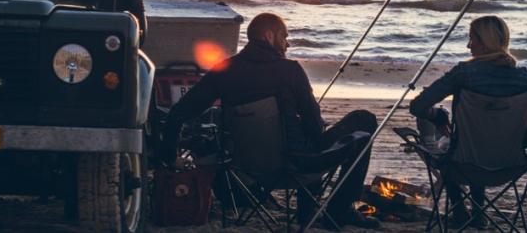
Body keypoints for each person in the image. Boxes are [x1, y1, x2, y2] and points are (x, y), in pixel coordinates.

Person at [161, 13, 380, 229]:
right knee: (363, 121)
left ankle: (308, 213)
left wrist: (171, 156)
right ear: (268, 36)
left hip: (244, 168)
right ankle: (339, 210)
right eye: (284, 37)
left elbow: (177, 113)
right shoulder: (291, 70)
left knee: (305, 137)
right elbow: (314, 127)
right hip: (296, 164)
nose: (287, 44)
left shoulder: (224, 70)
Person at [409, 15, 527, 229]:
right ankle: (478, 213)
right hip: (510, 166)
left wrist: (438, 116)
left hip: (462, 164)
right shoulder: (526, 78)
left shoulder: (463, 74)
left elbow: (418, 107)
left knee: (453, 147)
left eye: (471, 39)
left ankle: (459, 209)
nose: (468, 45)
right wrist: (520, 124)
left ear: (484, 43)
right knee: (472, 141)